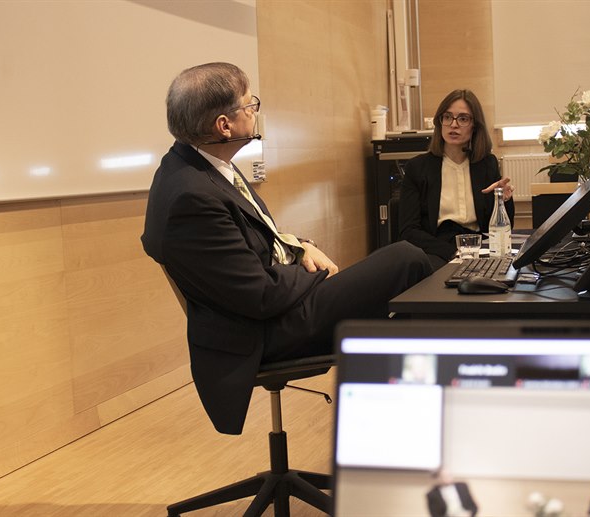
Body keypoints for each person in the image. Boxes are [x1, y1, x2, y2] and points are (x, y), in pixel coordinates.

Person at [141, 62, 431, 435]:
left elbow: (255, 238)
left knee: (395, 287)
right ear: (224, 126)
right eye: (249, 105)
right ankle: (414, 416)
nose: (254, 111)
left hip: (273, 310)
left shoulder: (202, 166)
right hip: (262, 333)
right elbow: (259, 295)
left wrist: (301, 248)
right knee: (406, 259)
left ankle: (395, 415)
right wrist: (317, 274)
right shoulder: (191, 196)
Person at [398, 89, 515, 269]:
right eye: (447, 117)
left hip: (480, 249)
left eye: (463, 118)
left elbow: (503, 227)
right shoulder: (417, 168)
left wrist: (504, 200)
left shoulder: (486, 164)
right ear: (440, 122)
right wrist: (452, 253)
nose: (453, 125)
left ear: (475, 126)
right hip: (437, 250)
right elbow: (408, 231)